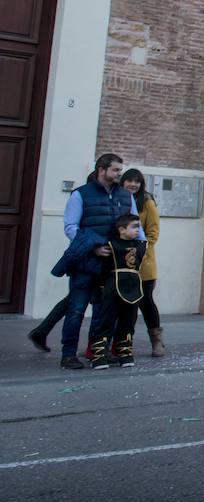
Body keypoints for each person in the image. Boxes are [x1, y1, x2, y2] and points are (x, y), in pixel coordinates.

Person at [33, 153, 141, 368]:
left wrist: (139, 249)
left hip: (112, 265)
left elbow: (137, 226)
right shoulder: (81, 194)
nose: (120, 174)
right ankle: (69, 354)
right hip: (85, 262)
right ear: (102, 169)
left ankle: (98, 351)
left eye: (120, 170)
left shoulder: (125, 196)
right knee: (76, 310)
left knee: (104, 311)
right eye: (116, 170)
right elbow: (71, 227)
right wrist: (94, 247)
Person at [88, 214, 147, 369]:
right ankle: (99, 355)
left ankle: (125, 353)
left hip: (134, 286)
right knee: (107, 319)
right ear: (121, 229)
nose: (137, 230)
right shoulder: (110, 246)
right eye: (134, 227)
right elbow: (102, 270)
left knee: (129, 321)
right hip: (113, 286)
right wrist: (100, 288)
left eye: (138, 227)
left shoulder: (141, 245)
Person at [120, 169, 165, 357]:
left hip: (143, 263)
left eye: (137, 181)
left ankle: (157, 341)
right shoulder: (118, 199)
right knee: (121, 306)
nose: (133, 184)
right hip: (120, 261)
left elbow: (153, 232)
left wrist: (140, 251)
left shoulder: (146, 202)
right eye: (129, 180)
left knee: (146, 302)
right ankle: (120, 344)